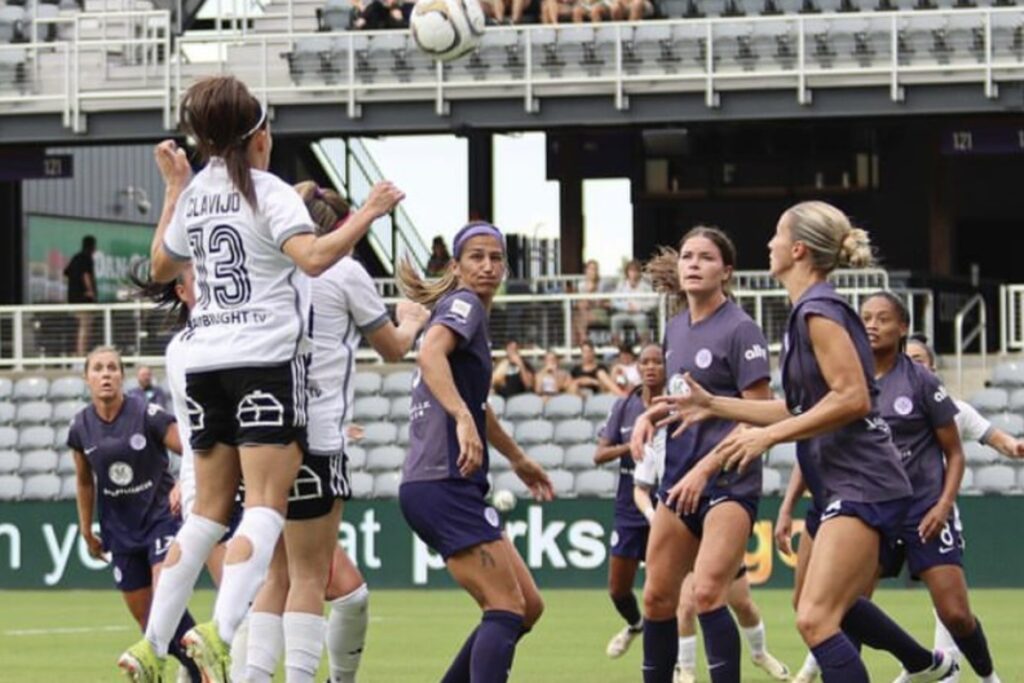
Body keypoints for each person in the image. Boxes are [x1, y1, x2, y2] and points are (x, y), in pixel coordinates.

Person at [118, 75, 403, 683]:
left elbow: (163, 265)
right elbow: (315, 258)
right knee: (268, 510)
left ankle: (152, 644)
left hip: (207, 362)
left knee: (206, 518)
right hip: (264, 364)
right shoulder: (270, 191)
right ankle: (220, 634)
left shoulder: (197, 194)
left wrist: (175, 190)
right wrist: (371, 213)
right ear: (258, 138)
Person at [651, 202, 956, 683]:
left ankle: (923, 665)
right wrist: (715, 406)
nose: (768, 244)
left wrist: (768, 436)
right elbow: (800, 408)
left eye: (776, 235)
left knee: (815, 618)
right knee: (827, 610)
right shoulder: (806, 313)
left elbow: (853, 398)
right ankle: (925, 664)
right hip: (848, 481)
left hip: (865, 481)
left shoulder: (819, 311)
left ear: (796, 249)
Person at [240, 181, 429, 683]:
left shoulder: (268, 266)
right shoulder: (345, 272)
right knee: (308, 574)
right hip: (318, 431)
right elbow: (392, 348)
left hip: (259, 430)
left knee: (273, 575)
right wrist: (410, 320)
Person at [397, 220, 555, 683]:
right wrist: (462, 419)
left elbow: (477, 405)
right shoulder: (464, 305)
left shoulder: (465, 315)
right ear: (457, 267)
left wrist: (517, 458)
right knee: (506, 606)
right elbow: (430, 355)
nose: (488, 267)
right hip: (442, 482)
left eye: (496, 258)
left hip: (445, 484)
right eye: (477, 257)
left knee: (527, 605)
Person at [627, 226, 775, 683]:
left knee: (709, 594)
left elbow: (761, 413)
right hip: (679, 480)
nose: (692, 263)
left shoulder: (741, 328)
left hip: (728, 483)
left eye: (705, 257)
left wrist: (706, 468)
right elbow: (680, 401)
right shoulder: (674, 328)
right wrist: (647, 417)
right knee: (655, 598)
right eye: (687, 255)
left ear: (726, 271)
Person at [860, 293, 1002, 683]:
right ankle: (922, 662)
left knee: (956, 613)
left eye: (883, 318)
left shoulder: (921, 381)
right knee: (849, 606)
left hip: (923, 510)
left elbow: (955, 454)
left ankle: (989, 678)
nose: (872, 324)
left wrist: (943, 505)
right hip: (870, 512)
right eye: (866, 317)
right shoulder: (848, 380)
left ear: (902, 327)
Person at [69, 346, 201, 682]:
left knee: (164, 599)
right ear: (87, 378)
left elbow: (194, 449)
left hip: (161, 520)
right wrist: (86, 530)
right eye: (98, 368)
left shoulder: (147, 414)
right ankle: (195, 662)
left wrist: (185, 484)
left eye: (113, 368)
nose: (106, 374)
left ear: (122, 376)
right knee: (147, 621)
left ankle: (202, 669)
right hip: (120, 533)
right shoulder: (80, 426)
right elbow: (85, 481)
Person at [593, 343, 665, 659]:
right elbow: (599, 455)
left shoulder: (674, 405)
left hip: (665, 506)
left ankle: (674, 662)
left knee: (662, 591)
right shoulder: (624, 406)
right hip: (628, 507)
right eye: (644, 362)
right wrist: (633, 444)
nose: (650, 367)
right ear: (637, 367)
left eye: (657, 362)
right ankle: (636, 625)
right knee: (618, 589)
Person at [64, 234, 97, 356]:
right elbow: (86, 275)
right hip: (83, 300)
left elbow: (66, 273)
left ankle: (77, 351)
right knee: (85, 326)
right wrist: (90, 291)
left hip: (73, 299)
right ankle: (81, 353)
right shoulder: (86, 258)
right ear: (92, 247)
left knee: (77, 327)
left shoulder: (75, 258)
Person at [610, 259, 656, 345]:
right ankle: (617, 347)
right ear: (627, 272)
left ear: (639, 273)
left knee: (642, 319)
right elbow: (614, 301)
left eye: (636, 271)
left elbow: (653, 302)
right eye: (631, 271)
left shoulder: (646, 286)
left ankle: (644, 346)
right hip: (624, 313)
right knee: (614, 319)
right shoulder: (622, 285)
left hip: (639, 314)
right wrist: (626, 307)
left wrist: (639, 307)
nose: (633, 274)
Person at [573, 259, 610, 346]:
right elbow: (579, 303)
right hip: (585, 312)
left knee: (578, 318)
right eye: (591, 269)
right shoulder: (581, 285)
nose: (593, 271)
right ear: (586, 270)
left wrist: (595, 302)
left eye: (595, 269)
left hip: (600, 313)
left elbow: (607, 303)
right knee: (577, 315)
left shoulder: (603, 285)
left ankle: (581, 342)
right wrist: (588, 293)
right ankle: (582, 340)